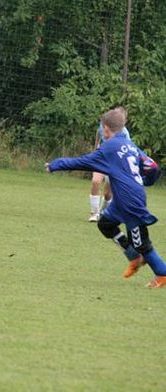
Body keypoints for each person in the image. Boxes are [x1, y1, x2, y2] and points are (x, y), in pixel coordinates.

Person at [46, 108, 166, 288]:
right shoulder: (130, 144)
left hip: (130, 201)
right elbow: (153, 166)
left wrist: (55, 165)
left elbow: (82, 162)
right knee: (105, 224)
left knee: (141, 242)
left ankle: (162, 273)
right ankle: (134, 257)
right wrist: (145, 181)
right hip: (127, 196)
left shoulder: (108, 148)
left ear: (105, 128)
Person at [88, 107, 131, 222]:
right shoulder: (104, 125)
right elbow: (98, 133)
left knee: (108, 194)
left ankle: (104, 212)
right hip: (101, 158)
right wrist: (96, 147)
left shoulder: (125, 134)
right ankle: (94, 213)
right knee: (95, 181)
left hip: (114, 163)